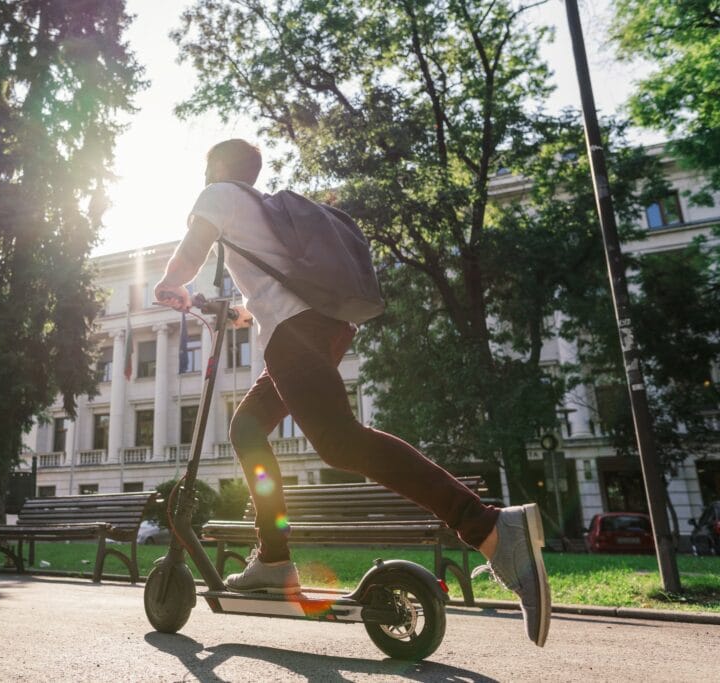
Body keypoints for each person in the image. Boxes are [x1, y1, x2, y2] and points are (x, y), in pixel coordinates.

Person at [154, 139, 551, 647]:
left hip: (295, 336)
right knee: (248, 427)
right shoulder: (258, 211)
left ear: (215, 169)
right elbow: (278, 287)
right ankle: (273, 560)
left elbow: (191, 249)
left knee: (339, 443)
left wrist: (170, 282)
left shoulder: (218, 195)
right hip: (319, 328)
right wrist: (239, 314)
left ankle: (488, 527)